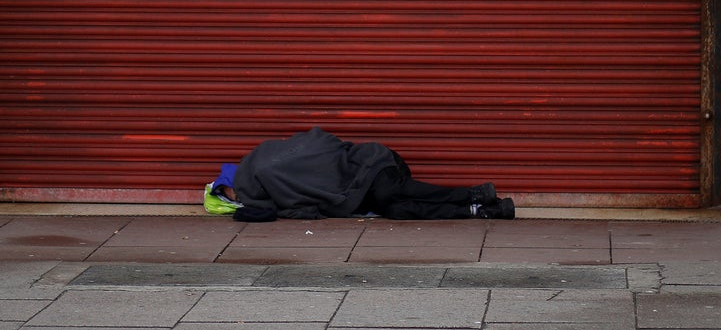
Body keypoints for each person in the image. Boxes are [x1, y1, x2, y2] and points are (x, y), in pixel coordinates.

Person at [209, 127, 515, 221]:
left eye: (229, 192)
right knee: (394, 209)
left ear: (236, 180)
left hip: (371, 162)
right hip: (361, 189)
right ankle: (479, 210)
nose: (234, 199)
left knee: (389, 193)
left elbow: (321, 142)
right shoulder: (269, 185)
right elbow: (283, 209)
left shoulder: (265, 163)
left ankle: (475, 193)